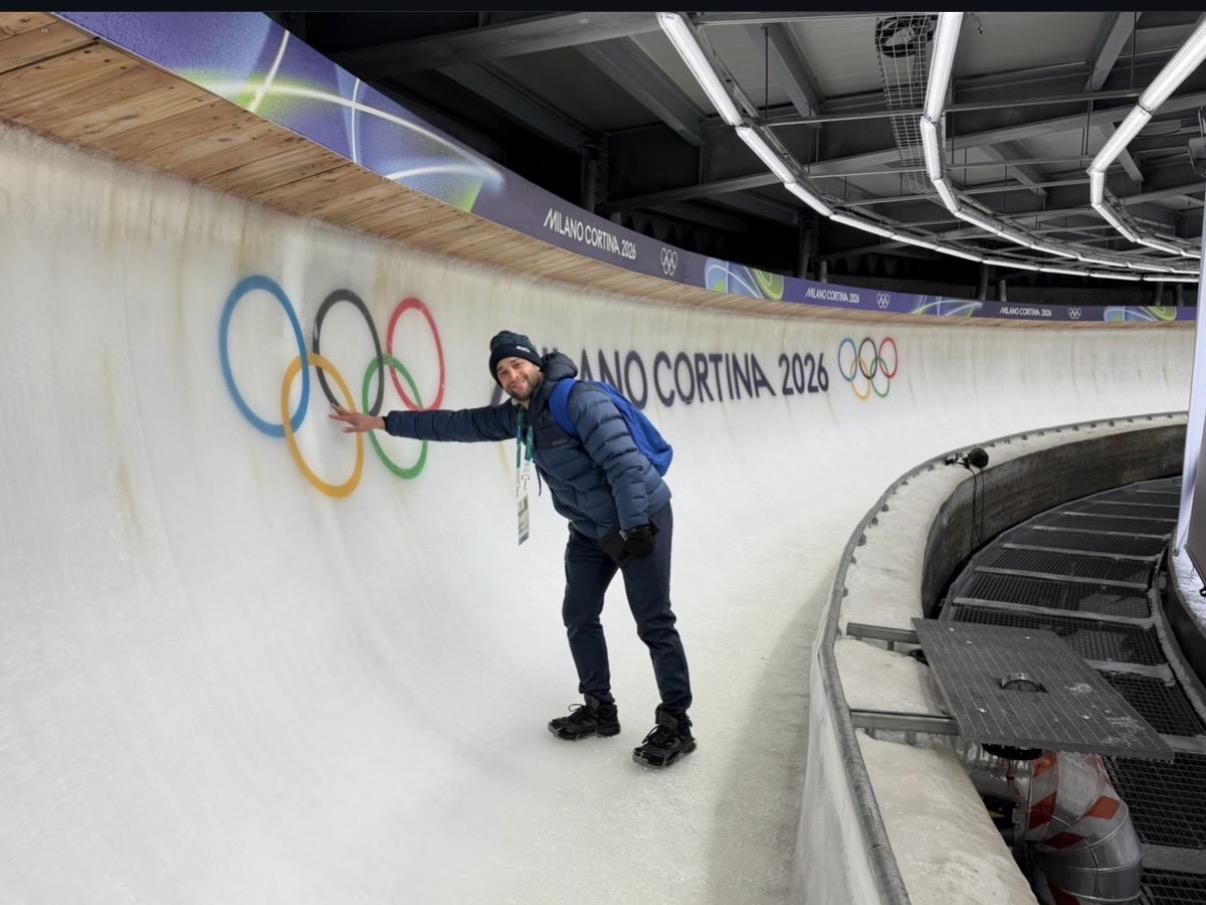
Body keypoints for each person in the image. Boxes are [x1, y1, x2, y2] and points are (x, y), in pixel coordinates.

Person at [330, 330, 695, 768]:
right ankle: (600, 708)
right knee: (578, 614)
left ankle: (676, 723)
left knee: (653, 621)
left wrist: (636, 527)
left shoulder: (577, 401)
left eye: (517, 365)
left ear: (536, 364)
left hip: (640, 517)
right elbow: (458, 424)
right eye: (502, 371)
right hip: (592, 529)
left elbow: (623, 463)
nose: (511, 375)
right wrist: (384, 422)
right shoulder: (520, 417)